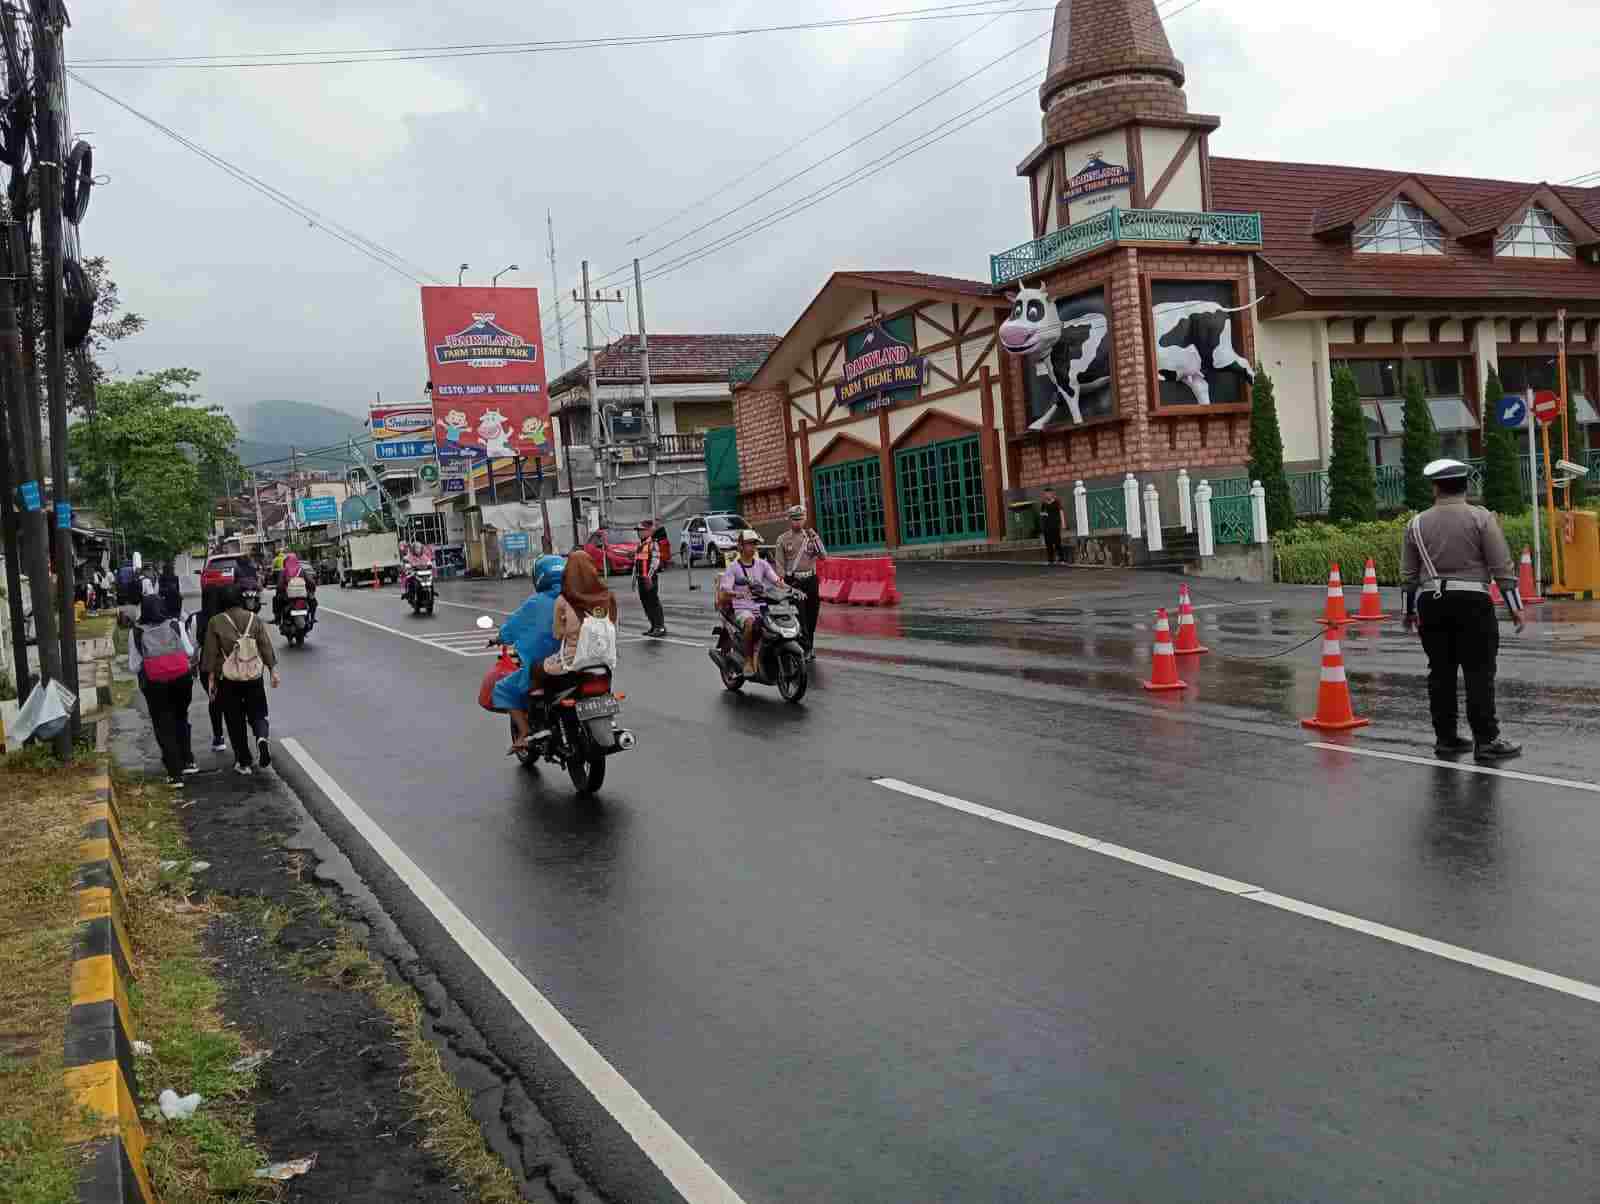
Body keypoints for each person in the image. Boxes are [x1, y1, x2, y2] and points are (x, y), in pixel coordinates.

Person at [1401, 458, 1524, 763]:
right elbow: (1501, 566)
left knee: (1440, 671)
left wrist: (1408, 612)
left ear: (1435, 488)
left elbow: (1408, 575)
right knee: (1479, 671)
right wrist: (1515, 607)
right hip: (1472, 603)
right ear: (1466, 485)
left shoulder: (1415, 523)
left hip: (1431, 604)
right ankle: (1486, 739)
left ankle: (1447, 738)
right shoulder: (1481, 519)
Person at [202, 583, 280, 776]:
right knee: (258, 712)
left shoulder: (216, 621)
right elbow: (265, 646)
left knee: (234, 719)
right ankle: (261, 737)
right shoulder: (253, 618)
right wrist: (273, 670)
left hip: (228, 678)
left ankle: (244, 761)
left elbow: (210, 653)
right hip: (253, 675)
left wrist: (211, 677)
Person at [496, 555, 566, 750]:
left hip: (550, 665)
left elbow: (511, 629)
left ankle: (525, 732)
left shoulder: (535, 603)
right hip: (582, 660)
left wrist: (499, 637)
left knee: (504, 688)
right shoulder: (577, 596)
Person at [130, 594, 197, 785]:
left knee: (163, 725)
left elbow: (134, 665)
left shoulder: (137, 631)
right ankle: (188, 760)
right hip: (181, 680)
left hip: (154, 684)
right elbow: (189, 651)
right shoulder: (175, 624)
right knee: (181, 718)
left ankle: (175, 773)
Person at [539, 548, 618, 691]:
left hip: (573, 661)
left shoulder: (563, 600)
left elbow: (557, 634)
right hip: (604, 659)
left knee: (536, 669)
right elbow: (613, 624)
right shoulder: (608, 596)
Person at [717, 529, 786, 675]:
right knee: (749, 623)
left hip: (761, 606)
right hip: (743, 609)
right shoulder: (733, 568)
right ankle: (748, 660)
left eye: (754, 544)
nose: (753, 547)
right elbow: (725, 591)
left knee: (778, 624)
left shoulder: (762, 564)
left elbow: (776, 580)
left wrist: (791, 589)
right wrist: (738, 594)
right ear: (741, 546)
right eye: (749, 544)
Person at [775, 504, 826, 660]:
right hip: (794, 582)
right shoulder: (783, 539)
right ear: (790, 520)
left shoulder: (810, 537)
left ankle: (809, 645)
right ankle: (804, 648)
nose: (798, 522)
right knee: (800, 617)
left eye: (801, 518)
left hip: (810, 580)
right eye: (794, 519)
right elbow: (779, 564)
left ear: (805, 518)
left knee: (812, 615)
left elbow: (823, 556)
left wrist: (815, 539)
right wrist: (785, 583)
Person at [634, 519, 666, 637]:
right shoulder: (640, 544)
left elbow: (655, 561)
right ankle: (653, 626)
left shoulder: (653, 543)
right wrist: (635, 579)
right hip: (641, 579)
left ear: (648, 531)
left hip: (649, 578)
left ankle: (660, 627)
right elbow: (637, 563)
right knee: (646, 603)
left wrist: (649, 577)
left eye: (641, 530)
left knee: (653, 603)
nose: (639, 533)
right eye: (638, 531)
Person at [274, 552, 317, 626]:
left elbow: (280, 585)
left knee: (276, 600)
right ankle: (312, 618)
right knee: (313, 602)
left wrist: (280, 590)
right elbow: (311, 582)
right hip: (302, 595)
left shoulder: (284, 571)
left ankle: (277, 619)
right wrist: (312, 590)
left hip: (288, 596)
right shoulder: (301, 570)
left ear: (285, 562)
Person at [1040, 487, 1066, 566]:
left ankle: (1062, 559)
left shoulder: (1057, 502)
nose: (1047, 495)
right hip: (1046, 527)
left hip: (1055, 525)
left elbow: (1061, 512)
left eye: (1048, 493)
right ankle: (1051, 560)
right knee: (1048, 544)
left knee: (1058, 542)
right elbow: (1042, 514)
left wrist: (1063, 523)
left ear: (1052, 494)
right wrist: (1044, 518)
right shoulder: (1043, 504)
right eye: (1045, 494)